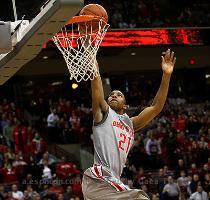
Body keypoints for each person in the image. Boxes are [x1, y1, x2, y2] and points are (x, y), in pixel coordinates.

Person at [82, 49, 176, 199]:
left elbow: (156, 107)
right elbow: (96, 81)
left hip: (110, 185)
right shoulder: (103, 114)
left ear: (125, 106)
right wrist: (91, 52)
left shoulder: (130, 124)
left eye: (119, 95)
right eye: (111, 95)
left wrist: (166, 75)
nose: (113, 96)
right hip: (99, 178)